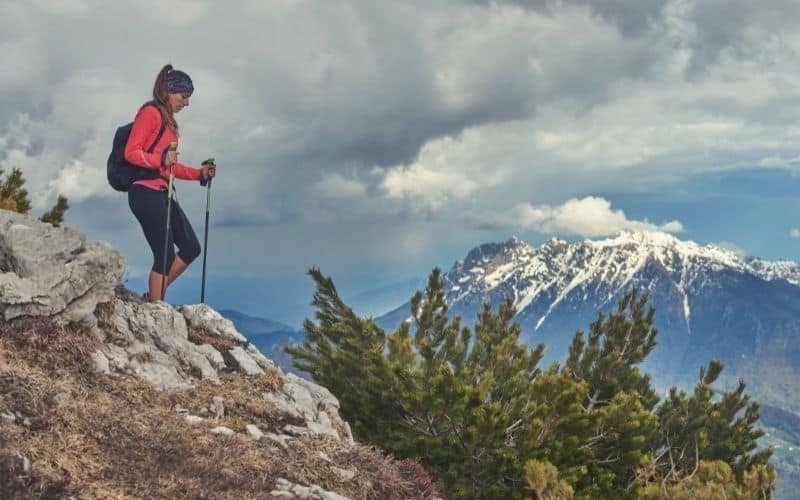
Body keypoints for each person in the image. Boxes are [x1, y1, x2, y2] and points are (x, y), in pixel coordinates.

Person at [124, 64, 216, 302]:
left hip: (163, 192)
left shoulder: (171, 125)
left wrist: (200, 174)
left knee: (191, 247)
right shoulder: (150, 114)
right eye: (183, 96)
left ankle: (153, 298)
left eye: (188, 98)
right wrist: (160, 159)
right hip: (144, 192)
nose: (186, 103)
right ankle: (156, 309)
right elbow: (131, 152)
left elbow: (170, 167)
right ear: (168, 92)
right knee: (164, 256)